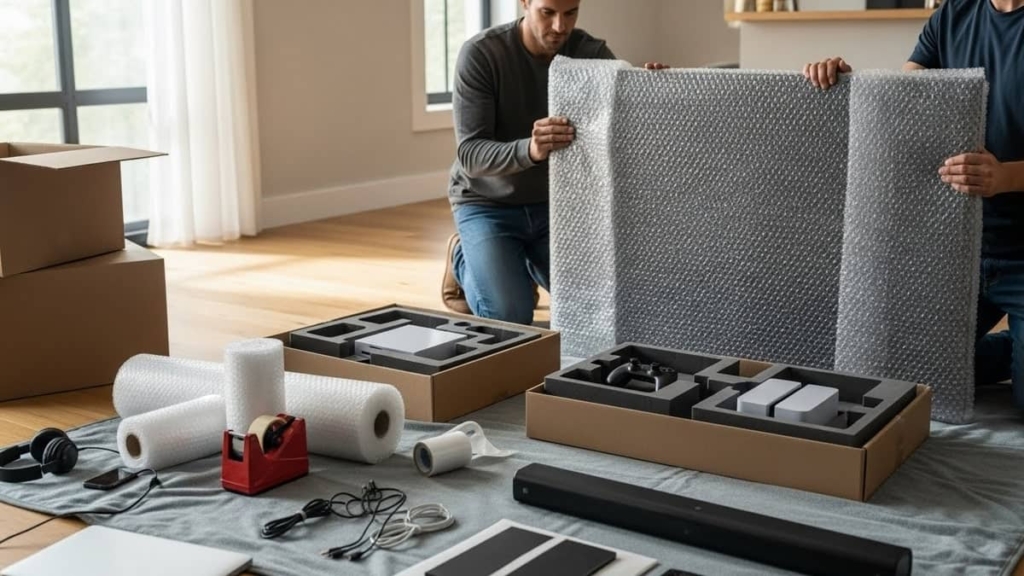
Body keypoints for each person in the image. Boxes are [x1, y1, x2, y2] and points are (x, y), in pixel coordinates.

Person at [803, 0, 1024, 409]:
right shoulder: (953, 16)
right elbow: (904, 102)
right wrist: (852, 86)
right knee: (896, 374)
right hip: (954, 245)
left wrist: (1006, 176)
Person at [441, 0, 667, 325]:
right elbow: (471, 155)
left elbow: (626, 124)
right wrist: (530, 150)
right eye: (548, 12)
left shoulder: (590, 52)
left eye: (570, 12)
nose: (560, 26)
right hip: (487, 203)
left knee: (599, 308)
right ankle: (463, 258)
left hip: (557, 207)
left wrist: (652, 91)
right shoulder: (482, 54)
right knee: (511, 316)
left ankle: (519, 265)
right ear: (525, 3)